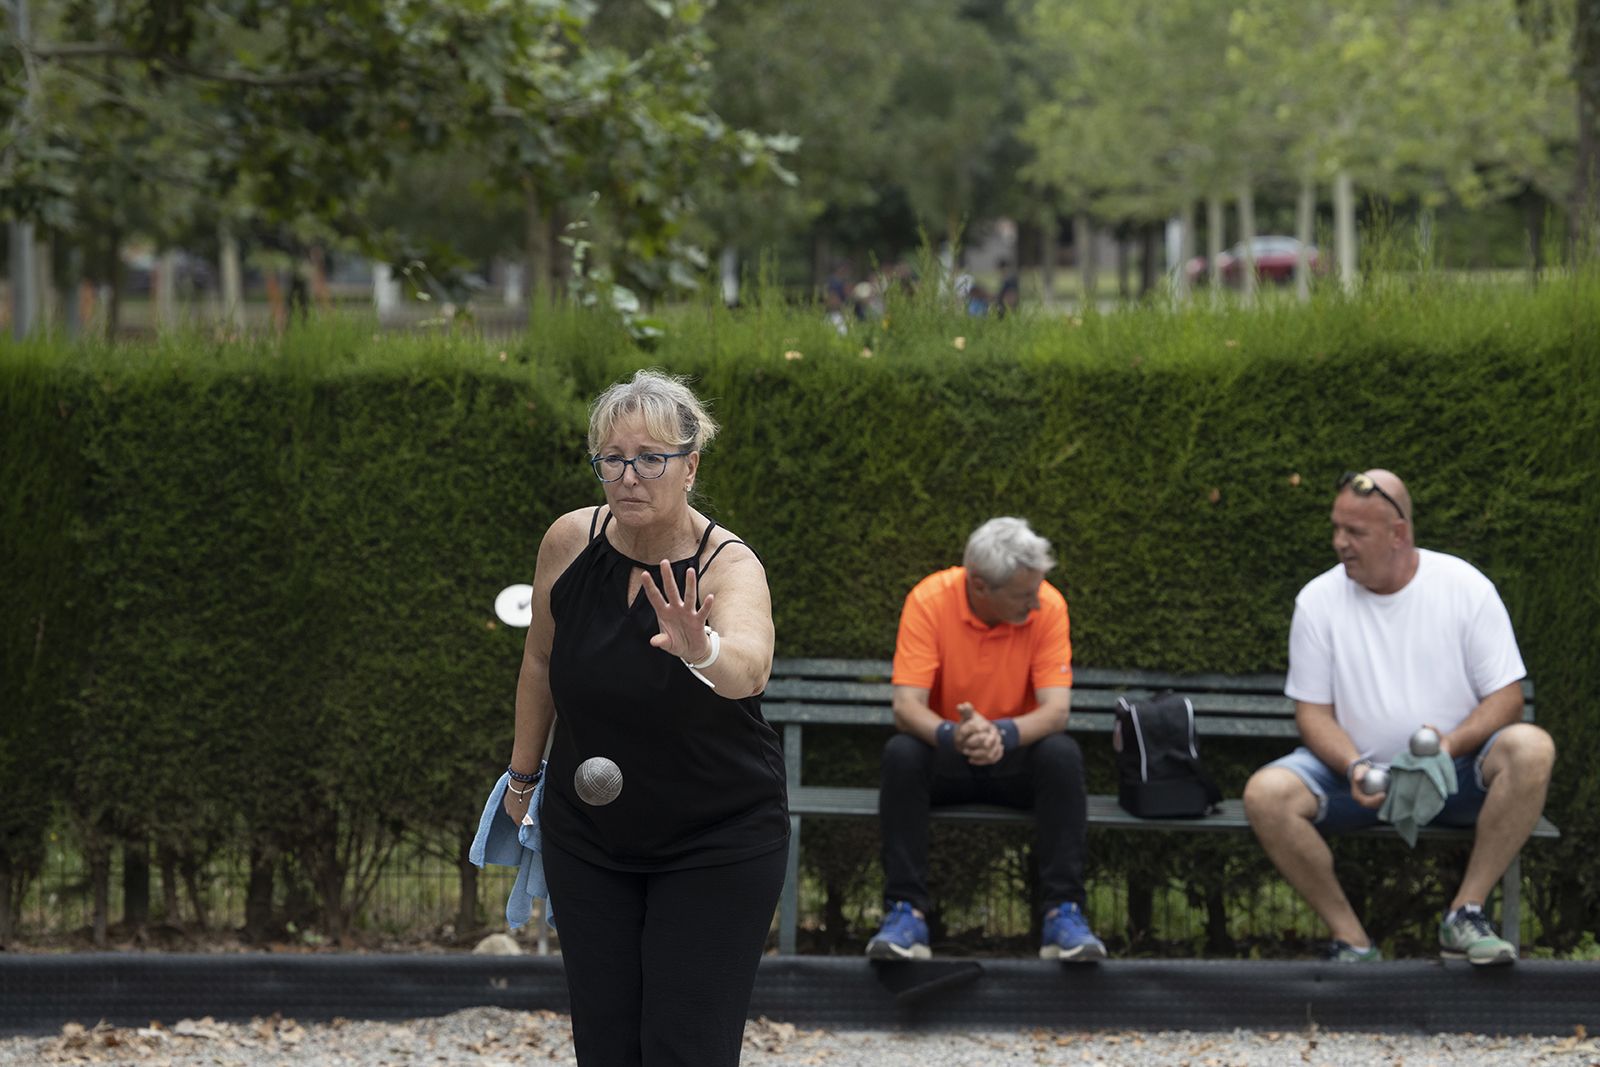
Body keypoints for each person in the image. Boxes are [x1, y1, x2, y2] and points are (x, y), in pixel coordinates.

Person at [500, 369, 788, 1065]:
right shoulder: (569, 541)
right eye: (613, 459)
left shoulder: (728, 564)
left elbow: (749, 667)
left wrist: (702, 648)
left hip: (716, 835)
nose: (629, 476)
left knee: (683, 1046)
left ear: (690, 465)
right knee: (607, 1044)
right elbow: (540, 661)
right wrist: (521, 777)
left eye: (651, 458)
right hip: (589, 834)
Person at [1243, 469, 1556, 966]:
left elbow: (1506, 700)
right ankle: (1354, 942)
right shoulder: (1318, 601)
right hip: (1356, 778)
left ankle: (1465, 913)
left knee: (1532, 747)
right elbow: (1313, 715)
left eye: (1355, 533)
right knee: (1265, 793)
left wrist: (1449, 746)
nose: (1340, 543)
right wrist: (1354, 767)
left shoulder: (1464, 587)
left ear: (1399, 534)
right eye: (1336, 528)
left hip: (1453, 773)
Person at [866, 517, 1107, 962]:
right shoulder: (929, 599)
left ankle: (1063, 915)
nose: (1036, 602)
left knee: (1062, 754)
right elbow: (906, 708)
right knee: (901, 753)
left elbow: (1056, 712)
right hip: (949, 755)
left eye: (1036, 589)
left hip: (1015, 759)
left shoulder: (1049, 604)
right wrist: (952, 735)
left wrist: (1003, 734)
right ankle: (905, 914)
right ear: (979, 584)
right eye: (1022, 594)